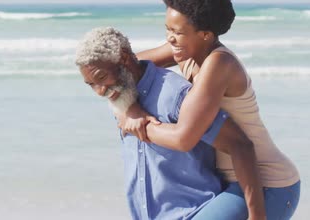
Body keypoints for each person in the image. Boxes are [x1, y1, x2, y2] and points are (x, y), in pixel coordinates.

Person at [120, 0, 301, 220]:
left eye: (178, 31)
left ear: (205, 34)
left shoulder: (219, 63)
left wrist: (135, 126)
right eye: (167, 29)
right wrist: (131, 109)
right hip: (227, 182)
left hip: (267, 184)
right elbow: (126, 69)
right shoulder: (186, 50)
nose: (170, 38)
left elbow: (184, 138)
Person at [75, 26, 266, 220]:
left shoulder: (175, 94)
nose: (100, 91)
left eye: (101, 77)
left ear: (124, 58)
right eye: (91, 84)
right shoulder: (120, 97)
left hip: (196, 212)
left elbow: (239, 144)